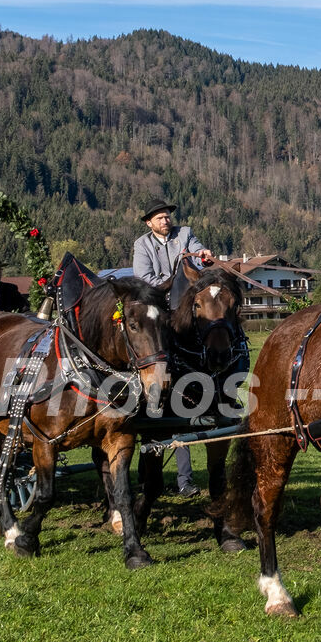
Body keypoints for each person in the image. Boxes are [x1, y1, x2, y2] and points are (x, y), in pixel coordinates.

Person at [131, 198, 215, 496]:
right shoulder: (142, 246)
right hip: (159, 310)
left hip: (185, 306)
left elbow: (200, 258)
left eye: (167, 216)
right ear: (149, 223)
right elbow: (145, 280)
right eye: (159, 218)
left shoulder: (185, 234)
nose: (165, 221)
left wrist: (204, 257)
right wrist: (174, 284)